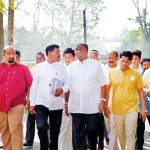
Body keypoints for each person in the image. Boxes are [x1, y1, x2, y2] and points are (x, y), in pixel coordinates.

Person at [65, 43, 107, 150]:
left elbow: (103, 83)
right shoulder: (72, 66)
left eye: (78, 50)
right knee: (78, 134)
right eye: (75, 50)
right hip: (76, 106)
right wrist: (65, 100)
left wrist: (103, 100)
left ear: (85, 51)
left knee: (92, 132)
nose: (75, 52)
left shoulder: (96, 65)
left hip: (92, 106)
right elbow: (67, 85)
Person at [29, 44, 69, 150]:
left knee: (55, 132)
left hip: (56, 104)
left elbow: (68, 84)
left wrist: (62, 90)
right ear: (49, 53)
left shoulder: (62, 67)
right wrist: (32, 103)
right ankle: (44, 147)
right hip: (41, 103)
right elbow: (34, 86)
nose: (59, 54)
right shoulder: (38, 68)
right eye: (57, 52)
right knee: (41, 127)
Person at [104, 51, 147, 150]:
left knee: (130, 134)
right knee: (121, 136)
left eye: (127, 61)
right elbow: (107, 90)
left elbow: (141, 92)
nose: (124, 63)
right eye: (122, 61)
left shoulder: (136, 74)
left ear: (130, 62)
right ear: (119, 60)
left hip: (132, 108)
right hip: (116, 109)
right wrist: (106, 106)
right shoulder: (112, 73)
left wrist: (143, 109)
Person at [0, 46, 32, 150]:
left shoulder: (23, 68)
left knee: (15, 128)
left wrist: (29, 98)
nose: (11, 55)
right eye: (8, 53)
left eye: (13, 53)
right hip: (1, 104)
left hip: (17, 103)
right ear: (3, 55)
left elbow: (30, 85)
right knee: (4, 129)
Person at [23, 52, 46, 148]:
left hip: (44, 101)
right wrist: (29, 100)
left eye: (40, 58)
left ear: (44, 58)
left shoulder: (47, 70)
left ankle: (45, 143)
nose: (39, 60)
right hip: (33, 99)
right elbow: (29, 86)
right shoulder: (32, 70)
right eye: (37, 58)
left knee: (42, 124)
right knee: (30, 120)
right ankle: (29, 141)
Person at [90, 49, 109, 150]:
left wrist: (103, 101)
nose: (93, 58)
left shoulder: (102, 67)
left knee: (100, 126)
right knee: (91, 127)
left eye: (94, 56)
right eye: (91, 57)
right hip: (90, 102)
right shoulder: (88, 68)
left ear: (98, 57)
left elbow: (104, 85)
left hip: (99, 101)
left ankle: (101, 145)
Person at [58, 48, 75, 150]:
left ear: (74, 57)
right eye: (66, 57)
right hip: (63, 103)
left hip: (75, 103)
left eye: (69, 57)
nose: (67, 59)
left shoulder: (75, 68)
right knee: (62, 129)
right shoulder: (61, 69)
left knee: (70, 131)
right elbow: (64, 87)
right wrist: (66, 103)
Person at [104, 50, 119, 150]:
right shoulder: (102, 69)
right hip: (105, 103)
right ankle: (116, 148)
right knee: (109, 128)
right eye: (109, 58)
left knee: (114, 127)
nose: (110, 60)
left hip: (117, 103)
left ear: (117, 59)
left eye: (113, 58)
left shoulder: (121, 70)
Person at [136, 58, 150, 150]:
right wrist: (146, 90)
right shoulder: (139, 76)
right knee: (140, 130)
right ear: (141, 66)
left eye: (148, 65)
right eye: (144, 65)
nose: (146, 67)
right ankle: (139, 147)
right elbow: (139, 88)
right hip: (141, 108)